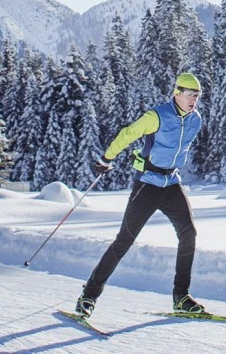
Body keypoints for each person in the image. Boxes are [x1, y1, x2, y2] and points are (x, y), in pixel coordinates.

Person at [75, 72, 206, 317]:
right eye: (189, 94)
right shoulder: (156, 116)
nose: (193, 100)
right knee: (124, 240)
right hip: (147, 184)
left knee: (189, 234)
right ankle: (89, 295)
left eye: (197, 96)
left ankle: (181, 296)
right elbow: (128, 134)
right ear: (177, 93)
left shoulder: (195, 120)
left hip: (171, 183)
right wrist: (106, 159)